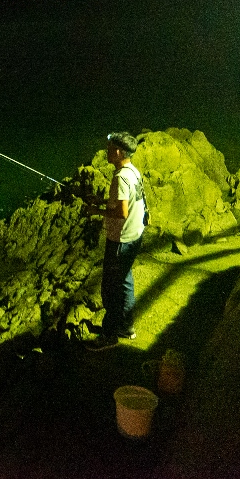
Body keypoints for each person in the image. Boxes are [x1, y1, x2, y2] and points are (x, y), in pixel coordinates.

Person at [83, 131, 146, 351]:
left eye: (109, 148)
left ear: (118, 152)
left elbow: (121, 212)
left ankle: (109, 336)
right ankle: (126, 327)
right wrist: (102, 200)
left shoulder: (120, 177)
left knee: (110, 289)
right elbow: (125, 200)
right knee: (125, 281)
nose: (106, 151)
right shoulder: (133, 172)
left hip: (121, 240)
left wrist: (95, 210)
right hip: (135, 236)